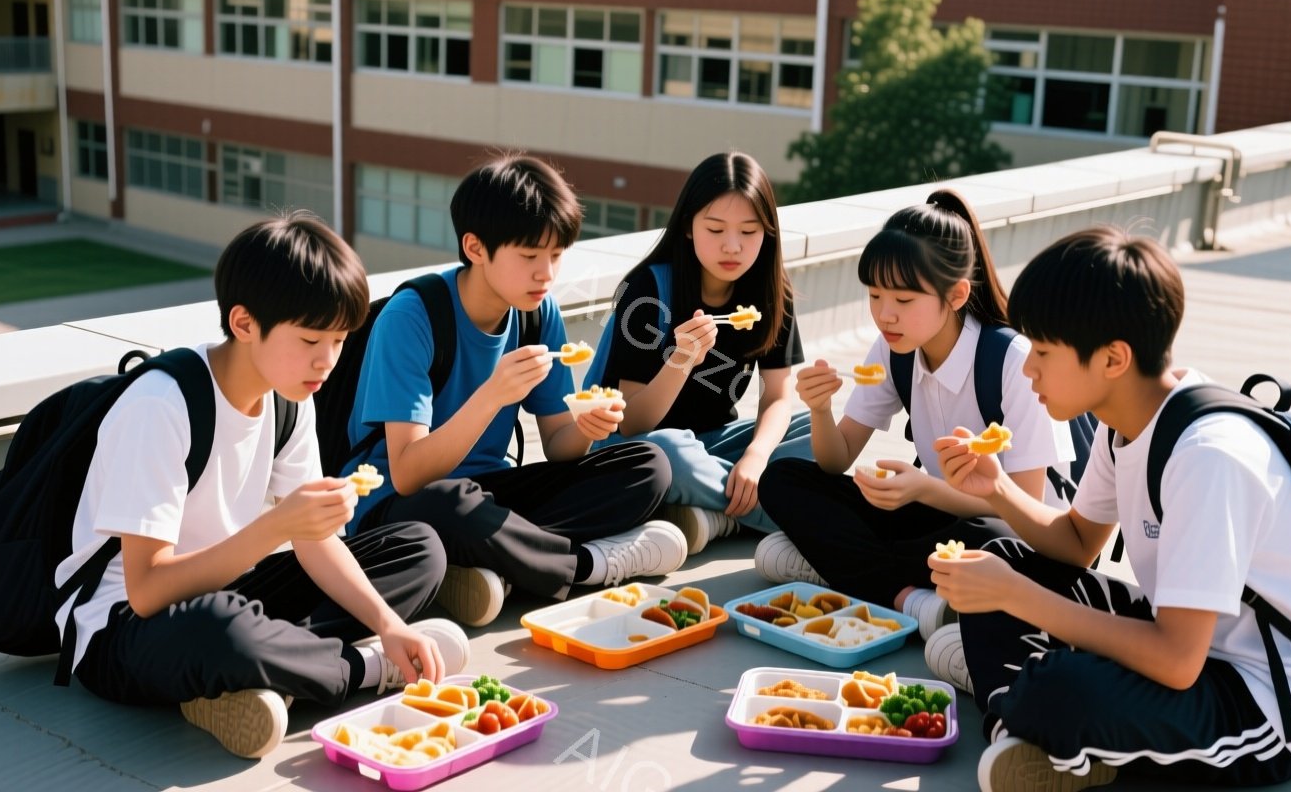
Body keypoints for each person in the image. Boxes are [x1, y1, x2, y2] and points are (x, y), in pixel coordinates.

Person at [928, 225, 1291, 791]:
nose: (1027, 370)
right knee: (997, 557)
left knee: (1057, 683)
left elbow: (1176, 661)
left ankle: (1023, 708)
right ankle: (1023, 728)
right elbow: (1076, 543)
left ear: (1113, 359)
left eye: (1042, 352)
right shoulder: (1129, 422)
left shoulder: (1208, 458)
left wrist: (1014, 599)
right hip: (1183, 639)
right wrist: (997, 490)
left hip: (1257, 703)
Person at [60, 213, 466, 759]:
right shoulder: (161, 406)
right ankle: (362, 668)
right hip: (124, 630)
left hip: (231, 593)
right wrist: (276, 525)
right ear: (245, 323)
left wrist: (389, 624)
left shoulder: (289, 399)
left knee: (417, 548)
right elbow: (147, 589)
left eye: (340, 341)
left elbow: (314, 544)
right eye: (309, 339)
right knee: (221, 631)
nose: (326, 361)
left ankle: (257, 678)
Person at [345, 155, 684, 628]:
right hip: (402, 508)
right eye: (529, 256)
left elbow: (558, 447)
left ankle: (499, 565)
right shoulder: (412, 317)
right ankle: (584, 566)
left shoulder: (536, 313)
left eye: (557, 255)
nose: (546, 273)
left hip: (490, 495)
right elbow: (406, 474)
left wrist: (585, 429)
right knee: (454, 506)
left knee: (646, 465)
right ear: (475, 247)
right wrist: (491, 396)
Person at [757, 190, 1074, 640]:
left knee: (987, 541)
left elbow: (1027, 504)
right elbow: (835, 459)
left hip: (1018, 531)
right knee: (783, 479)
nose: (885, 314)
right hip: (931, 512)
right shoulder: (893, 349)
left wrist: (927, 488)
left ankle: (845, 566)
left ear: (957, 294)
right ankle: (911, 599)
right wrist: (821, 410)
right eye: (874, 296)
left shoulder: (1012, 361)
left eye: (904, 301)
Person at [592, 152, 811, 555]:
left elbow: (779, 395)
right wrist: (681, 361)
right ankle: (797, 520)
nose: (733, 246)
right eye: (715, 229)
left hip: (713, 443)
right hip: (638, 449)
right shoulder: (648, 291)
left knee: (816, 430)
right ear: (689, 227)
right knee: (672, 454)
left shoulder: (770, 292)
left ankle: (715, 515)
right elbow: (632, 422)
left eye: (749, 231)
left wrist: (756, 458)